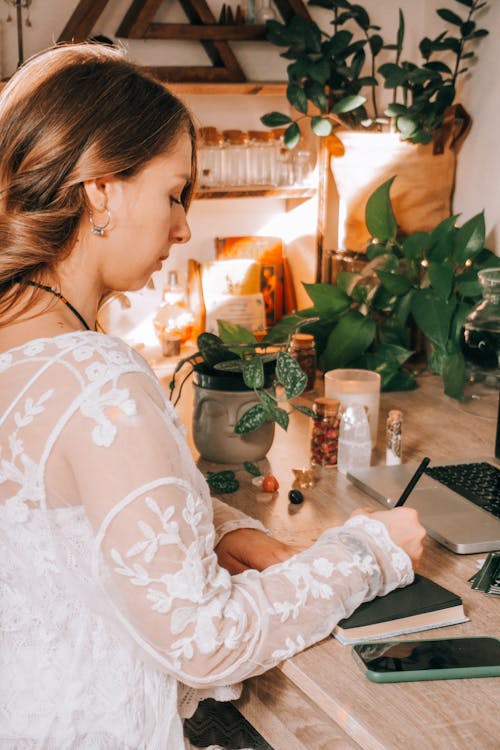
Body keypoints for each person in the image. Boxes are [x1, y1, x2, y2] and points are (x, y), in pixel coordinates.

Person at [0, 43, 426, 750]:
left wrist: (232, 533)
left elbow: (66, 513)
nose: (183, 227)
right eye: (174, 193)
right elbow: (206, 642)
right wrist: (371, 549)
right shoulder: (96, 380)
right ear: (100, 189)